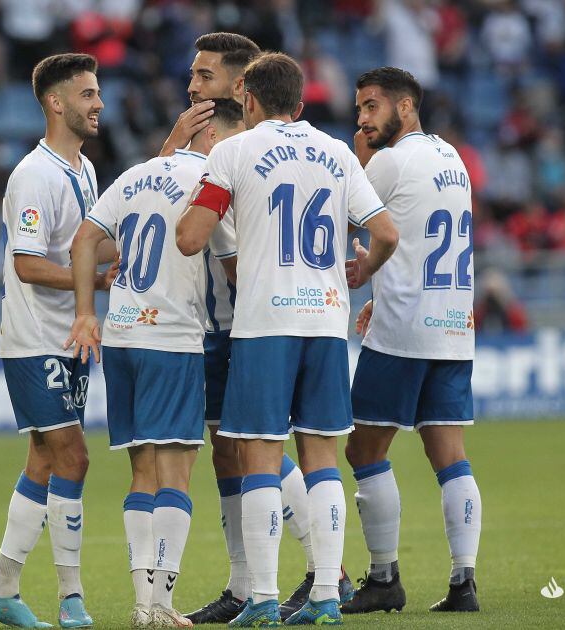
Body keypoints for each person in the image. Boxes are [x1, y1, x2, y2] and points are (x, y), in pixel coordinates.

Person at [176, 52, 399, 626]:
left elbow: (190, 238)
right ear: (300, 104)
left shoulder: (233, 150)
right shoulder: (337, 152)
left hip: (265, 325)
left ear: (247, 99)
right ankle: (327, 594)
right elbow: (387, 231)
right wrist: (362, 270)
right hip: (325, 323)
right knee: (322, 458)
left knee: (259, 457)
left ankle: (264, 598)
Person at [66, 98, 245, 629]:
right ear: (215, 137)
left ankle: (144, 604)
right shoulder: (211, 183)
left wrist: (84, 314)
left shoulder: (138, 172)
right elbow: (234, 267)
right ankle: (162, 603)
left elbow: (83, 240)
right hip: (171, 337)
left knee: (141, 471)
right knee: (176, 474)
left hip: (122, 334)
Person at [0, 53, 117, 630]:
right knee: (73, 457)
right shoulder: (33, 175)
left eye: (98, 92)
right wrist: (93, 280)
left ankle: (2, 591)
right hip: (35, 339)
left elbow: (87, 247)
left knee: (42, 457)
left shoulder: (82, 169)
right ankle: (71, 596)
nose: (99, 103)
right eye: (87, 93)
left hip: (68, 335)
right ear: (56, 103)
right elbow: (31, 264)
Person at [341, 66, 482, 615]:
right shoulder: (452, 158)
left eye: (371, 107)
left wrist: (359, 160)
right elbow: (420, 235)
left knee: (362, 448)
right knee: (450, 455)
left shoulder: (391, 161)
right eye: (358, 109)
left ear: (405, 107)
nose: (362, 118)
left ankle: (383, 578)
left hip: (403, 330)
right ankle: (464, 583)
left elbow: (347, 211)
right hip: (451, 324)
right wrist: (387, 282)